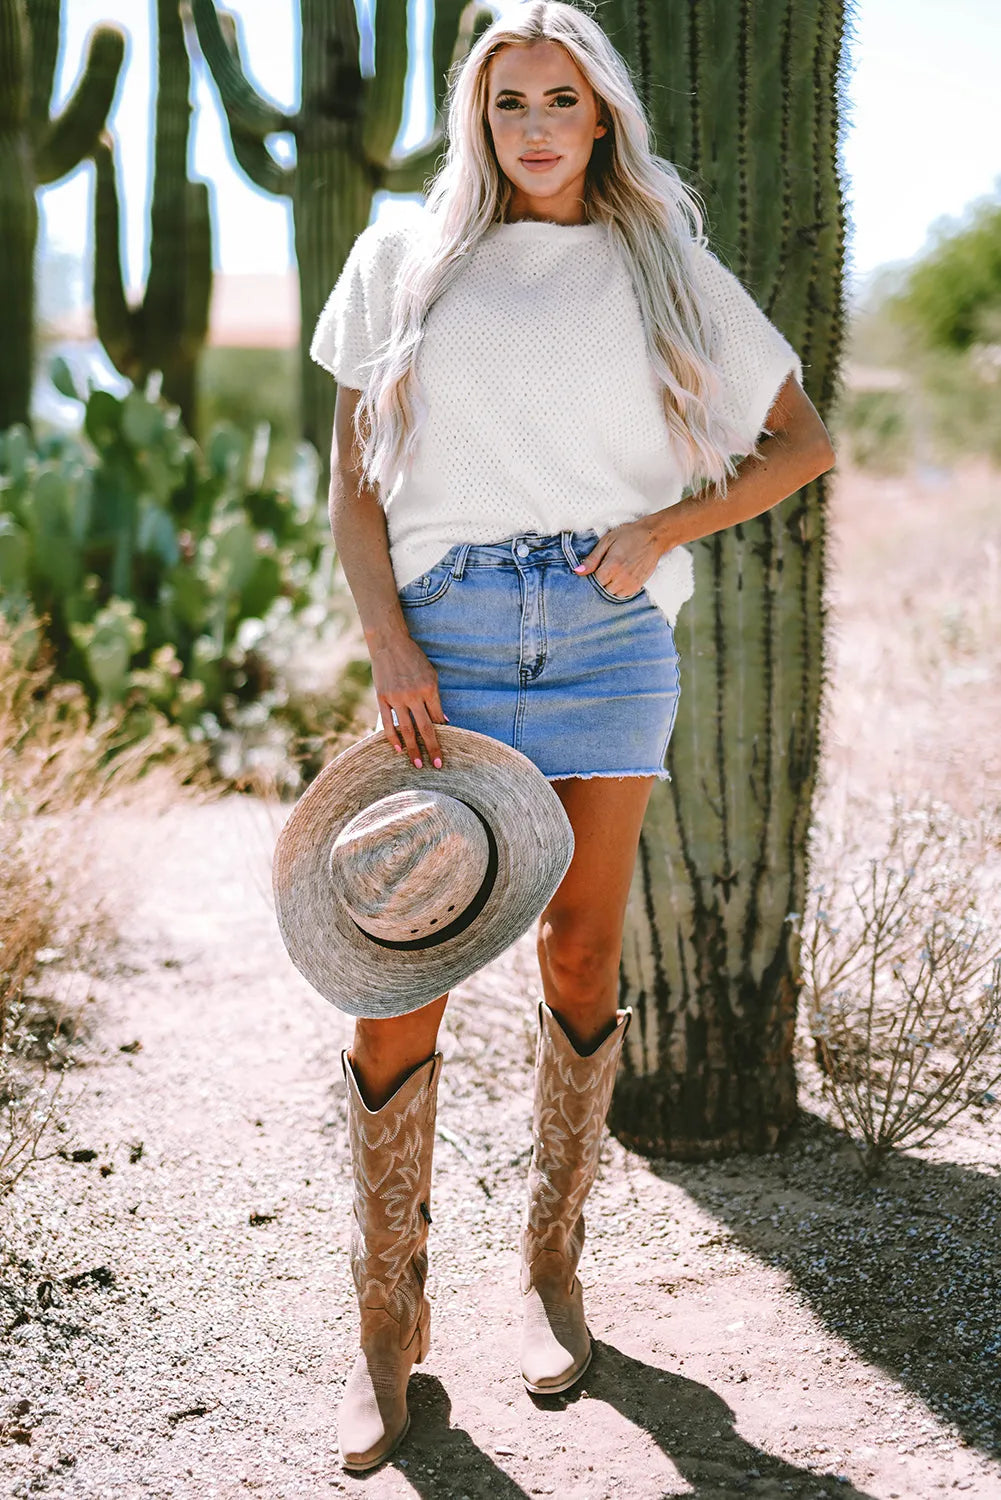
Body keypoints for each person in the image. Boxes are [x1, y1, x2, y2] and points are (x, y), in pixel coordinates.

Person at [311, 0, 836, 1472]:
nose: (534, 126)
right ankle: (383, 1318)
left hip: (609, 641)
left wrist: (661, 528)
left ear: (599, 112)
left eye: (559, 99)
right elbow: (354, 490)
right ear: (476, 125)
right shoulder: (399, 262)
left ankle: (550, 1267)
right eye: (506, 105)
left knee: (580, 954)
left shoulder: (664, 259)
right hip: (453, 642)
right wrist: (391, 647)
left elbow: (801, 440)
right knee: (398, 960)